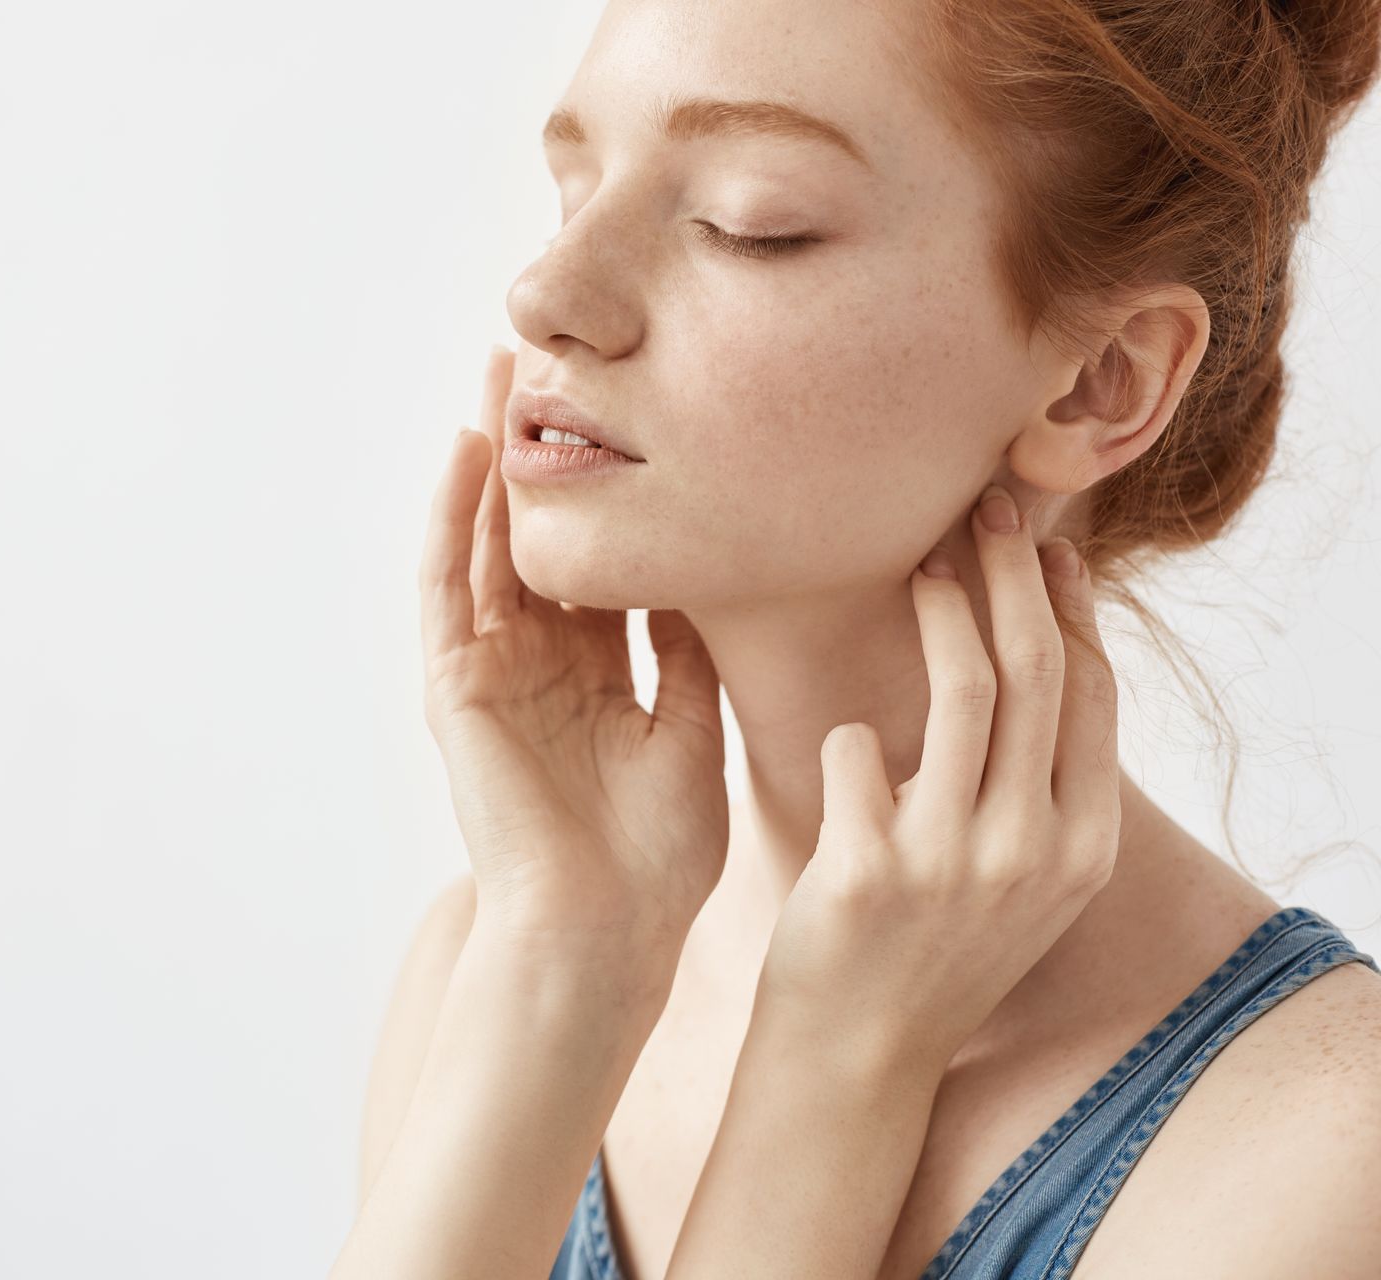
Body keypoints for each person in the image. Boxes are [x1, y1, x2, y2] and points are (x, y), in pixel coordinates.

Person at [335, 0, 1381, 1277]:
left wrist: (840, 1058)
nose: (546, 294)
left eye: (745, 221)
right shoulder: (488, 966)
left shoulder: (1319, 1152)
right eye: (575, 188)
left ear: (1100, 377)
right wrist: (568, 955)